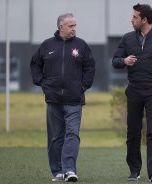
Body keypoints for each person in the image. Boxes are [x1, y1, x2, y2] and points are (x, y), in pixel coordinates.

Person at [112, 3, 152, 182]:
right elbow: (115, 61)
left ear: (144, 20)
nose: (131, 20)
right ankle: (134, 171)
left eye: (134, 17)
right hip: (134, 90)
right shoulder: (127, 39)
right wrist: (124, 60)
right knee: (133, 132)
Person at [30, 13, 95, 182]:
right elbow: (35, 64)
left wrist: (82, 87)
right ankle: (58, 171)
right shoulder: (47, 45)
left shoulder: (81, 45)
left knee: (72, 134)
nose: (74, 29)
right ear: (60, 27)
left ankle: (69, 170)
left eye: (75, 25)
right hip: (53, 100)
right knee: (55, 136)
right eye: (70, 26)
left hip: (74, 99)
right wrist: (42, 83)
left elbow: (90, 68)